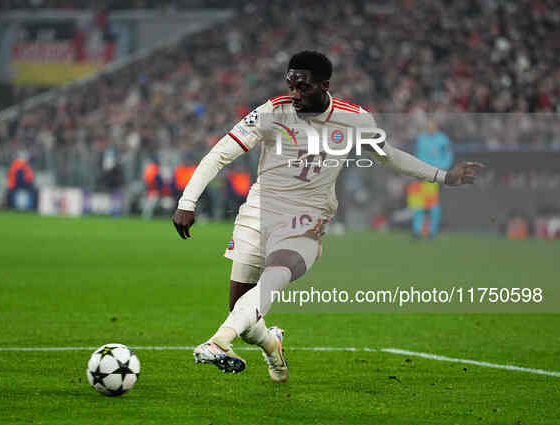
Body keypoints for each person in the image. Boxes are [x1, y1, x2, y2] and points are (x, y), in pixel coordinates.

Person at [172, 51, 484, 382]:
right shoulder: (271, 111)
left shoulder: (355, 120)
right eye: (290, 86)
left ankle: (219, 342)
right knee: (242, 313)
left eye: (302, 87)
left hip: (308, 217)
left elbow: (389, 158)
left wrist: (443, 176)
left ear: (324, 86)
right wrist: (187, 201)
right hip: (258, 213)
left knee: (275, 275)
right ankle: (271, 343)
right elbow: (220, 153)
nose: (294, 95)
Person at [408, 119, 454, 238]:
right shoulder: (421, 138)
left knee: (432, 204)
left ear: (436, 127)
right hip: (420, 175)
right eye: (428, 126)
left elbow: (448, 156)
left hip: (433, 176)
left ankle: (432, 232)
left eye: (432, 126)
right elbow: (417, 154)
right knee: (417, 203)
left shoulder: (443, 139)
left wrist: (440, 170)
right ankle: (417, 230)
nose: (429, 128)